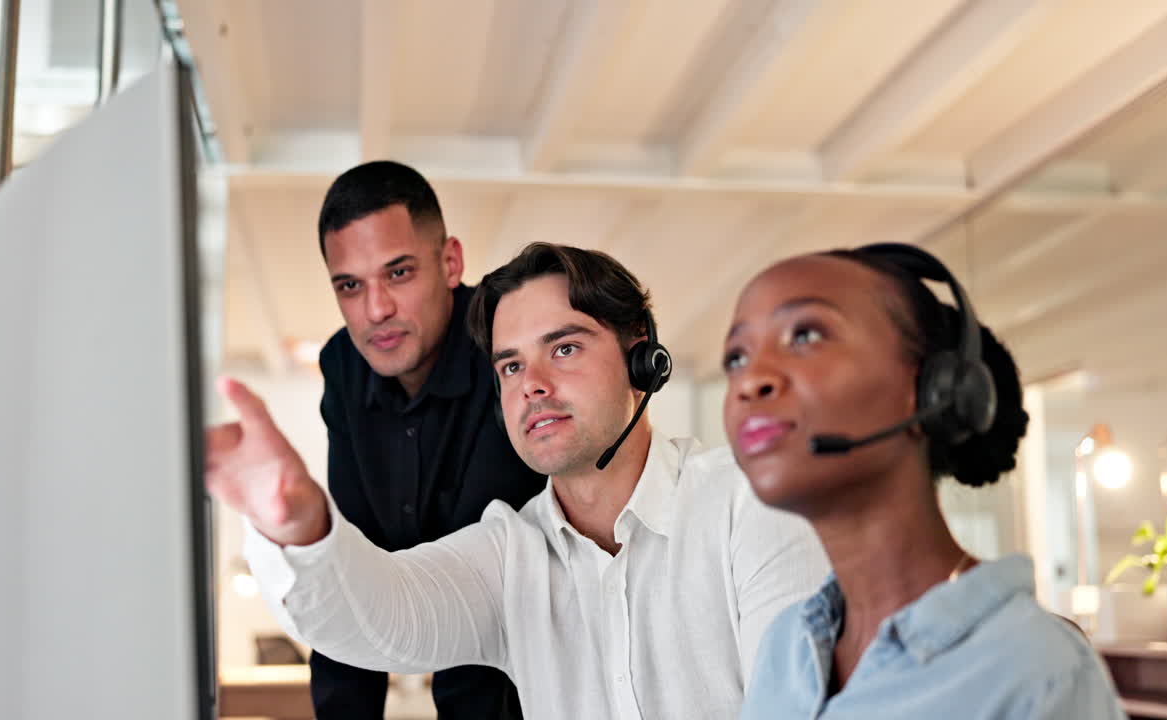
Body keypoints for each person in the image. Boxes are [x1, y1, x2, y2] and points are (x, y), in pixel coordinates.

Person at [206, 243, 829, 720]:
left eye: (564, 349)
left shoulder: (753, 504)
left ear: (643, 359)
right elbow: (376, 618)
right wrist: (296, 526)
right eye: (510, 365)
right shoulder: (508, 554)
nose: (531, 384)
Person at [720, 243, 1125, 718]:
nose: (750, 380)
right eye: (736, 358)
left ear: (933, 391)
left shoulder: (1040, 671)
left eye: (805, 334)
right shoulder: (785, 649)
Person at [307, 161, 545, 719]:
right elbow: (350, 571)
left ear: (450, 262)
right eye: (350, 285)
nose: (376, 310)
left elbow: (482, 581)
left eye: (398, 273)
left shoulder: (504, 343)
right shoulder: (343, 365)